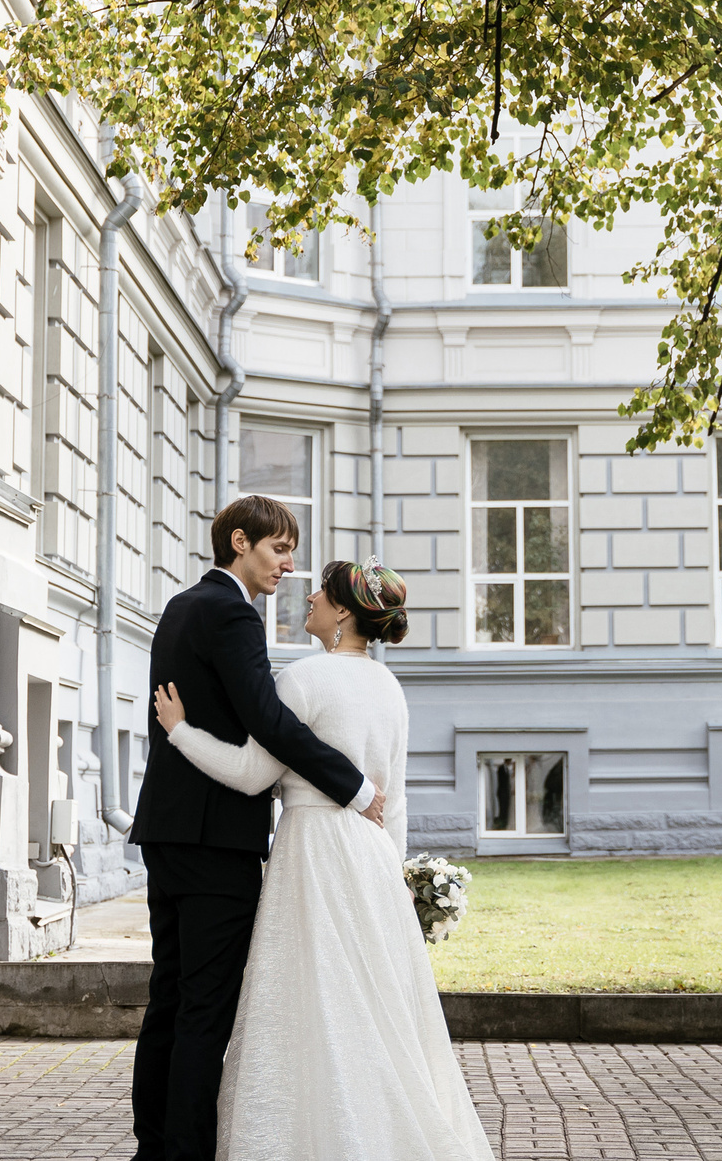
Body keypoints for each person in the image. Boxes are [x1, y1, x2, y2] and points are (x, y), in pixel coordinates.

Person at [152, 558, 495, 1161]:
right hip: (369, 859)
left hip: (312, 853)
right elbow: (397, 799)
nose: (306, 595)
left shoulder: (301, 680)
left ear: (341, 612)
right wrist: (394, 878)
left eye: (320, 593)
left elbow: (251, 775)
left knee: (308, 1000)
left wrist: (181, 731)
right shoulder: (390, 688)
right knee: (369, 1004)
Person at [129, 496, 386, 1161]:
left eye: (291, 549)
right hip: (218, 837)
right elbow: (268, 718)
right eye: (277, 548)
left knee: (170, 993)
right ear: (238, 542)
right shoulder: (232, 613)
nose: (288, 563)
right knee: (204, 1007)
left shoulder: (180, 606)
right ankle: (183, 1152)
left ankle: (154, 1145)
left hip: (167, 827)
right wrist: (354, 786)